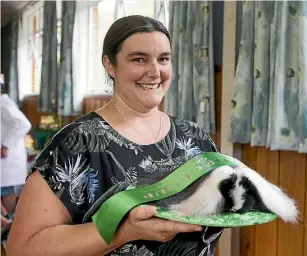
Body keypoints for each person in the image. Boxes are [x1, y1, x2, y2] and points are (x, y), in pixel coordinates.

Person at [7, 15, 223, 256]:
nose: (155, 72)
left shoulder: (196, 139)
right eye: (139, 59)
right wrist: (121, 232)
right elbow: (22, 248)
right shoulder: (77, 144)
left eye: (163, 59)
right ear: (110, 65)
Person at [0, 79, 31, 225]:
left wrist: (6, 146)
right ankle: (9, 225)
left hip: (8, 162)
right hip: (5, 163)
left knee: (7, 195)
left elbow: (23, 123)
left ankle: (12, 228)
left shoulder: (3, 103)